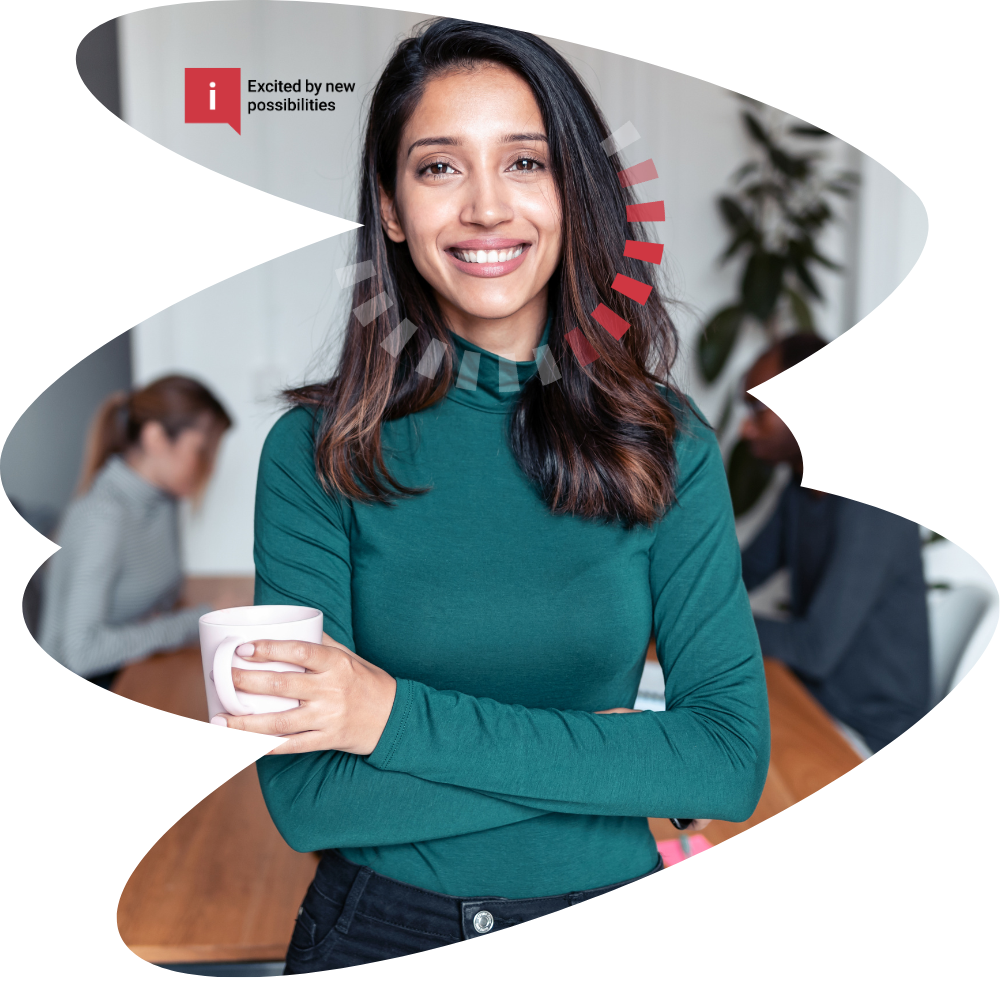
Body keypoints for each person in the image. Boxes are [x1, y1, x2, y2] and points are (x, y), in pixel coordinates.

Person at [227, 19, 769, 973]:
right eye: (439, 167)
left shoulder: (665, 443)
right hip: (378, 940)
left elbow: (725, 763)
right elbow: (310, 800)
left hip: (618, 936)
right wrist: (617, 760)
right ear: (393, 209)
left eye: (526, 162)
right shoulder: (315, 453)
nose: (486, 207)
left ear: (572, 194)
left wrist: (386, 720)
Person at [37, 374, 232, 889]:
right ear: (154, 438)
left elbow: (158, 596)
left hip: (128, 678)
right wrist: (194, 622)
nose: (209, 466)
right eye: (201, 450)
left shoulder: (160, 500)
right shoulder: (104, 516)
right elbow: (77, 651)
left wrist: (174, 623)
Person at [739, 333, 933, 778]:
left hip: (873, 744)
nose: (746, 428)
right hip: (817, 704)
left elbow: (814, 650)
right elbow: (740, 572)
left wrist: (702, 622)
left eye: (759, 409)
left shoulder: (874, 498)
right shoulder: (802, 487)